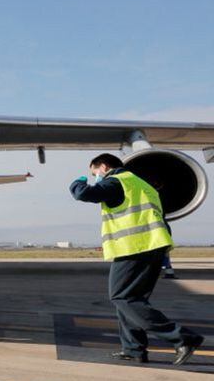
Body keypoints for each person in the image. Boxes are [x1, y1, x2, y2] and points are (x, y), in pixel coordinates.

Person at [70, 153, 203, 365]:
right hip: (153, 247)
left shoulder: (116, 182)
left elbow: (83, 194)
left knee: (122, 298)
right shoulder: (143, 185)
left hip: (134, 248)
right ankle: (133, 349)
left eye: (94, 173)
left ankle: (183, 338)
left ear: (103, 167)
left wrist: (78, 182)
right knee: (131, 300)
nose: (96, 177)